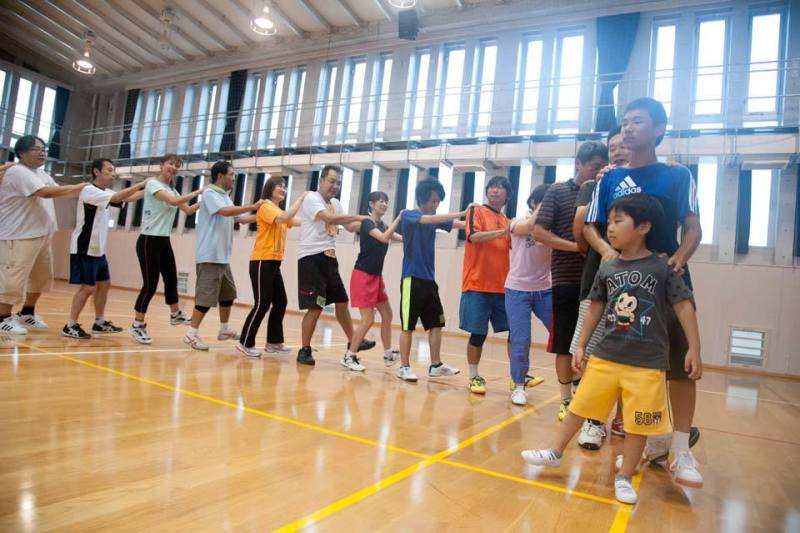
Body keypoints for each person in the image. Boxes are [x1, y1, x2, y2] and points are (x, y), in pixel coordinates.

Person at [522, 193, 702, 505]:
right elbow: (594, 309)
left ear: (643, 226)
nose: (611, 229)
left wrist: (694, 350)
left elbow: (685, 308)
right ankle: (554, 452)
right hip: (606, 357)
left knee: (637, 424)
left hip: (647, 364)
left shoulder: (663, 268)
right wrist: (580, 345)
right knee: (579, 408)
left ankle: (624, 477)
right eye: (610, 222)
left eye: (619, 222)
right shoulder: (607, 267)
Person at [584, 97, 703, 487]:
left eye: (638, 121)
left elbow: (693, 229)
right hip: (623, 286)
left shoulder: (678, 175)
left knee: (679, 368)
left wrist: (679, 259)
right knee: (626, 364)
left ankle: (681, 451)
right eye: (624, 121)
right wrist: (608, 255)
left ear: (659, 129)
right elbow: (592, 227)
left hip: (667, 280)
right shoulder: (608, 178)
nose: (628, 128)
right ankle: (610, 428)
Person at [533, 141, 608, 422]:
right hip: (566, 279)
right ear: (578, 164)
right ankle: (566, 401)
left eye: (603, 165)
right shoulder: (557, 191)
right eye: (594, 166)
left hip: (599, 283)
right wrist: (575, 246)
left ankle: (590, 405)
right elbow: (539, 232)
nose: (599, 171)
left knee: (596, 347)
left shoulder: (607, 190)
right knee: (565, 343)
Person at [568, 126, 631, 448]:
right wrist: (603, 250)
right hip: (597, 280)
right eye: (613, 147)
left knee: (628, 354)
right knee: (588, 352)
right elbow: (583, 229)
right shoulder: (596, 184)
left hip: (636, 286)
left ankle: (622, 418)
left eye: (624, 145)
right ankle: (593, 420)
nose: (619, 150)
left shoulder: (648, 185)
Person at [0, 135, 89, 334]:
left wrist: (90, 192)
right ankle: (2, 317)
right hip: (19, 234)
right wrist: (77, 187)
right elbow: (46, 193)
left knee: (40, 278)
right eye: (36, 149)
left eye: (44, 149)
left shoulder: (40, 173)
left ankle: (27, 313)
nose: (42, 152)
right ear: (21, 153)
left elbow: (59, 191)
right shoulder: (18, 171)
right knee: (13, 277)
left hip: (42, 234)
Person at [62, 159, 148, 339]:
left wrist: (152, 189)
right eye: (109, 170)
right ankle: (70, 325)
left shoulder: (105, 192)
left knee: (104, 284)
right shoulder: (89, 190)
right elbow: (118, 197)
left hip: (98, 249)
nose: (113, 173)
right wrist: (140, 183)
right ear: (96, 172)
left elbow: (126, 198)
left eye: (113, 170)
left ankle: (99, 322)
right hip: (84, 248)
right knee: (87, 288)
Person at [296, 165, 372, 366]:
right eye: (331, 181)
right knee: (315, 307)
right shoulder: (312, 198)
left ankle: (354, 340)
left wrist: (370, 226)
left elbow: (349, 226)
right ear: (321, 180)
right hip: (311, 259)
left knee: (341, 301)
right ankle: (304, 349)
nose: (335, 186)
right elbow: (329, 219)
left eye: (338, 182)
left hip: (329, 258)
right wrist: (359, 217)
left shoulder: (336, 203)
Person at [184, 161, 263, 350]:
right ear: (220, 176)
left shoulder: (225, 197)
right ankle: (191, 334)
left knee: (228, 294)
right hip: (209, 256)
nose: (234, 178)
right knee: (205, 299)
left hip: (222, 257)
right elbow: (225, 212)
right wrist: (252, 205)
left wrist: (266, 217)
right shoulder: (210, 194)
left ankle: (224, 329)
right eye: (232, 174)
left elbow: (240, 219)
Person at [396, 178, 469, 382]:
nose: (436, 205)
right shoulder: (410, 215)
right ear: (422, 199)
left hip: (429, 281)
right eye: (434, 201)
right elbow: (427, 220)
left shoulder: (435, 217)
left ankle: (435, 365)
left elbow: (458, 224)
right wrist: (462, 212)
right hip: (411, 278)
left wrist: (478, 221)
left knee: (437, 324)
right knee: (407, 326)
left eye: (439, 202)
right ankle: (404, 367)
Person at [129, 153, 201, 344]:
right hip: (148, 240)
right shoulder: (153, 184)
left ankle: (175, 313)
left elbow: (188, 209)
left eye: (177, 165)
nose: (174, 167)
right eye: (171, 163)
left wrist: (207, 199)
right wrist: (196, 192)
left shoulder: (173, 191)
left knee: (171, 278)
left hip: (163, 241)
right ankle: (137, 325)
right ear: (161, 165)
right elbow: (172, 202)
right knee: (150, 285)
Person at [236, 177, 307, 357]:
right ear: (270, 188)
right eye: (279, 186)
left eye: (285, 186)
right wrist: (300, 200)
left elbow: (297, 221)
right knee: (262, 304)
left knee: (280, 302)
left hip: (275, 262)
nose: (283, 189)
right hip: (262, 261)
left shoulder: (278, 210)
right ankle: (245, 343)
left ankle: (274, 342)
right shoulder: (266, 207)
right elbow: (283, 218)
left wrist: (320, 220)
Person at [460, 176, 512, 394]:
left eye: (500, 187)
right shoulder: (476, 211)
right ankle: (473, 376)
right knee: (478, 335)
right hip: (477, 284)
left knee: (516, 332)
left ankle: (518, 377)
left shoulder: (508, 221)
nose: (495, 190)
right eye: (492, 186)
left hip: (503, 287)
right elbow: (474, 236)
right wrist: (501, 233)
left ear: (507, 195)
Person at [344, 191, 404, 372]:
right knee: (368, 319)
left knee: (387, 314)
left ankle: (388, 354)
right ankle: (349, 356)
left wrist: (411, 239)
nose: (384, 204)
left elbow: (393, 236)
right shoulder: (367, 222)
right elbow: (385, 237)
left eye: (386, 201)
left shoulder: (382, 224)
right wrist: (399, 218)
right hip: (363, 276)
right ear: (371, 204)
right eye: (381, 201)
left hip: (376, 277)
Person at [505, 184, 552, 405]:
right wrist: (544, 207)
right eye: (546, 202)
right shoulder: (517, 221)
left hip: (545, 290)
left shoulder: (553, 227)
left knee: (562, 332)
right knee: (521, 340)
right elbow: (530, 225)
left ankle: (574, 383)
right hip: (517, 290)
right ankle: (519, 385)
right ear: (534, 203)